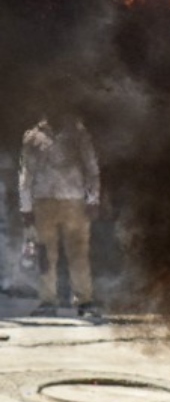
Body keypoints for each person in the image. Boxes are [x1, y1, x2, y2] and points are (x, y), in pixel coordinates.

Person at [19, 114, 101, 317]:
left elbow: (91, 167)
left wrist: (93, 199)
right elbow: (25, 173)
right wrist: (26, 207)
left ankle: (84, 302)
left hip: (74, 200)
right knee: (45, 256)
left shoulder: (79, 134)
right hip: (43, 201)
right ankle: (48, 302)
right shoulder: (33, 136)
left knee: (78, 254)